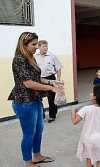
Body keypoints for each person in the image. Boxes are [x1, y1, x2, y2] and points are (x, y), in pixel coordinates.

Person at [8, 32, 63, 167]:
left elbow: (37, 79)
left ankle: (37, 156)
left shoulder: (30, 58)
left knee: (39, 130)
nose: (36, 48)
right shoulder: (19, 59)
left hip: (35, 99)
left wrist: (52, 83)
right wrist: (50, 89)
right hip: (24, 102)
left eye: (37, 44)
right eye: (33, 44)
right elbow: (28, 83)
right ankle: (28, 162)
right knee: (28, 134)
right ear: (24, 44)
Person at [71, 84, 100, 167]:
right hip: (99, 140)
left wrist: (73, 111)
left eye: (92, 92)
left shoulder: (86, 109)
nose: (90, 93)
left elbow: (74, 121)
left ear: (95, 97)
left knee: (89, 159)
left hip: (87, 139)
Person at [34, 40, 63, 123]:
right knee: (38, 98)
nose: (45, 48)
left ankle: (52, 115)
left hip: (50, 77)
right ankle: (41, 116)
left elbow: (58, 67)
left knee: (51, 98)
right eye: (43, 46)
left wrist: (58, 79)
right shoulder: (35, 56)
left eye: (46, 46)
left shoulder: (52, 56)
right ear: (39, 47)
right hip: (39, 79)